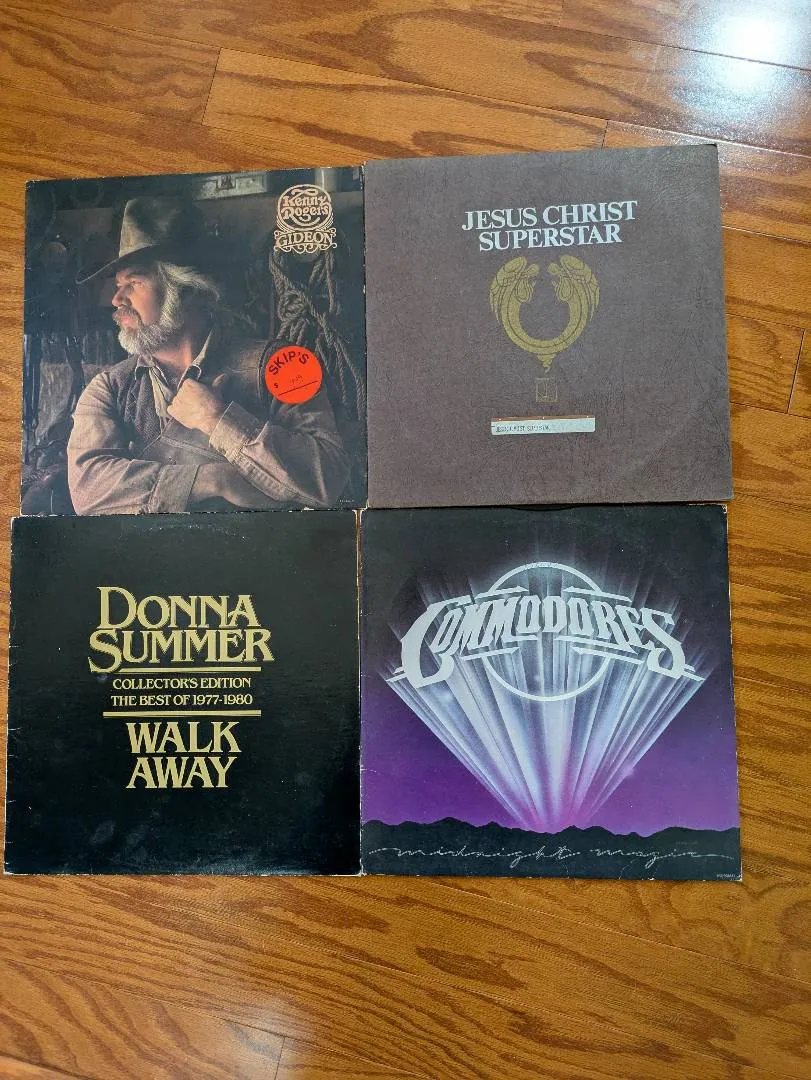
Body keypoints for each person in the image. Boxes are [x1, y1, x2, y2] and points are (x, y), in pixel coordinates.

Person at [67, 197, 350, 514]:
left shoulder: (280, 363)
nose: (117, 299)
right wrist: (214, 480)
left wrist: (217, 419)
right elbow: (87, 491)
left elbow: (329, 478)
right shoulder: (110, 388)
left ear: (186, 290)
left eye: (134, 282)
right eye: (118, 285)